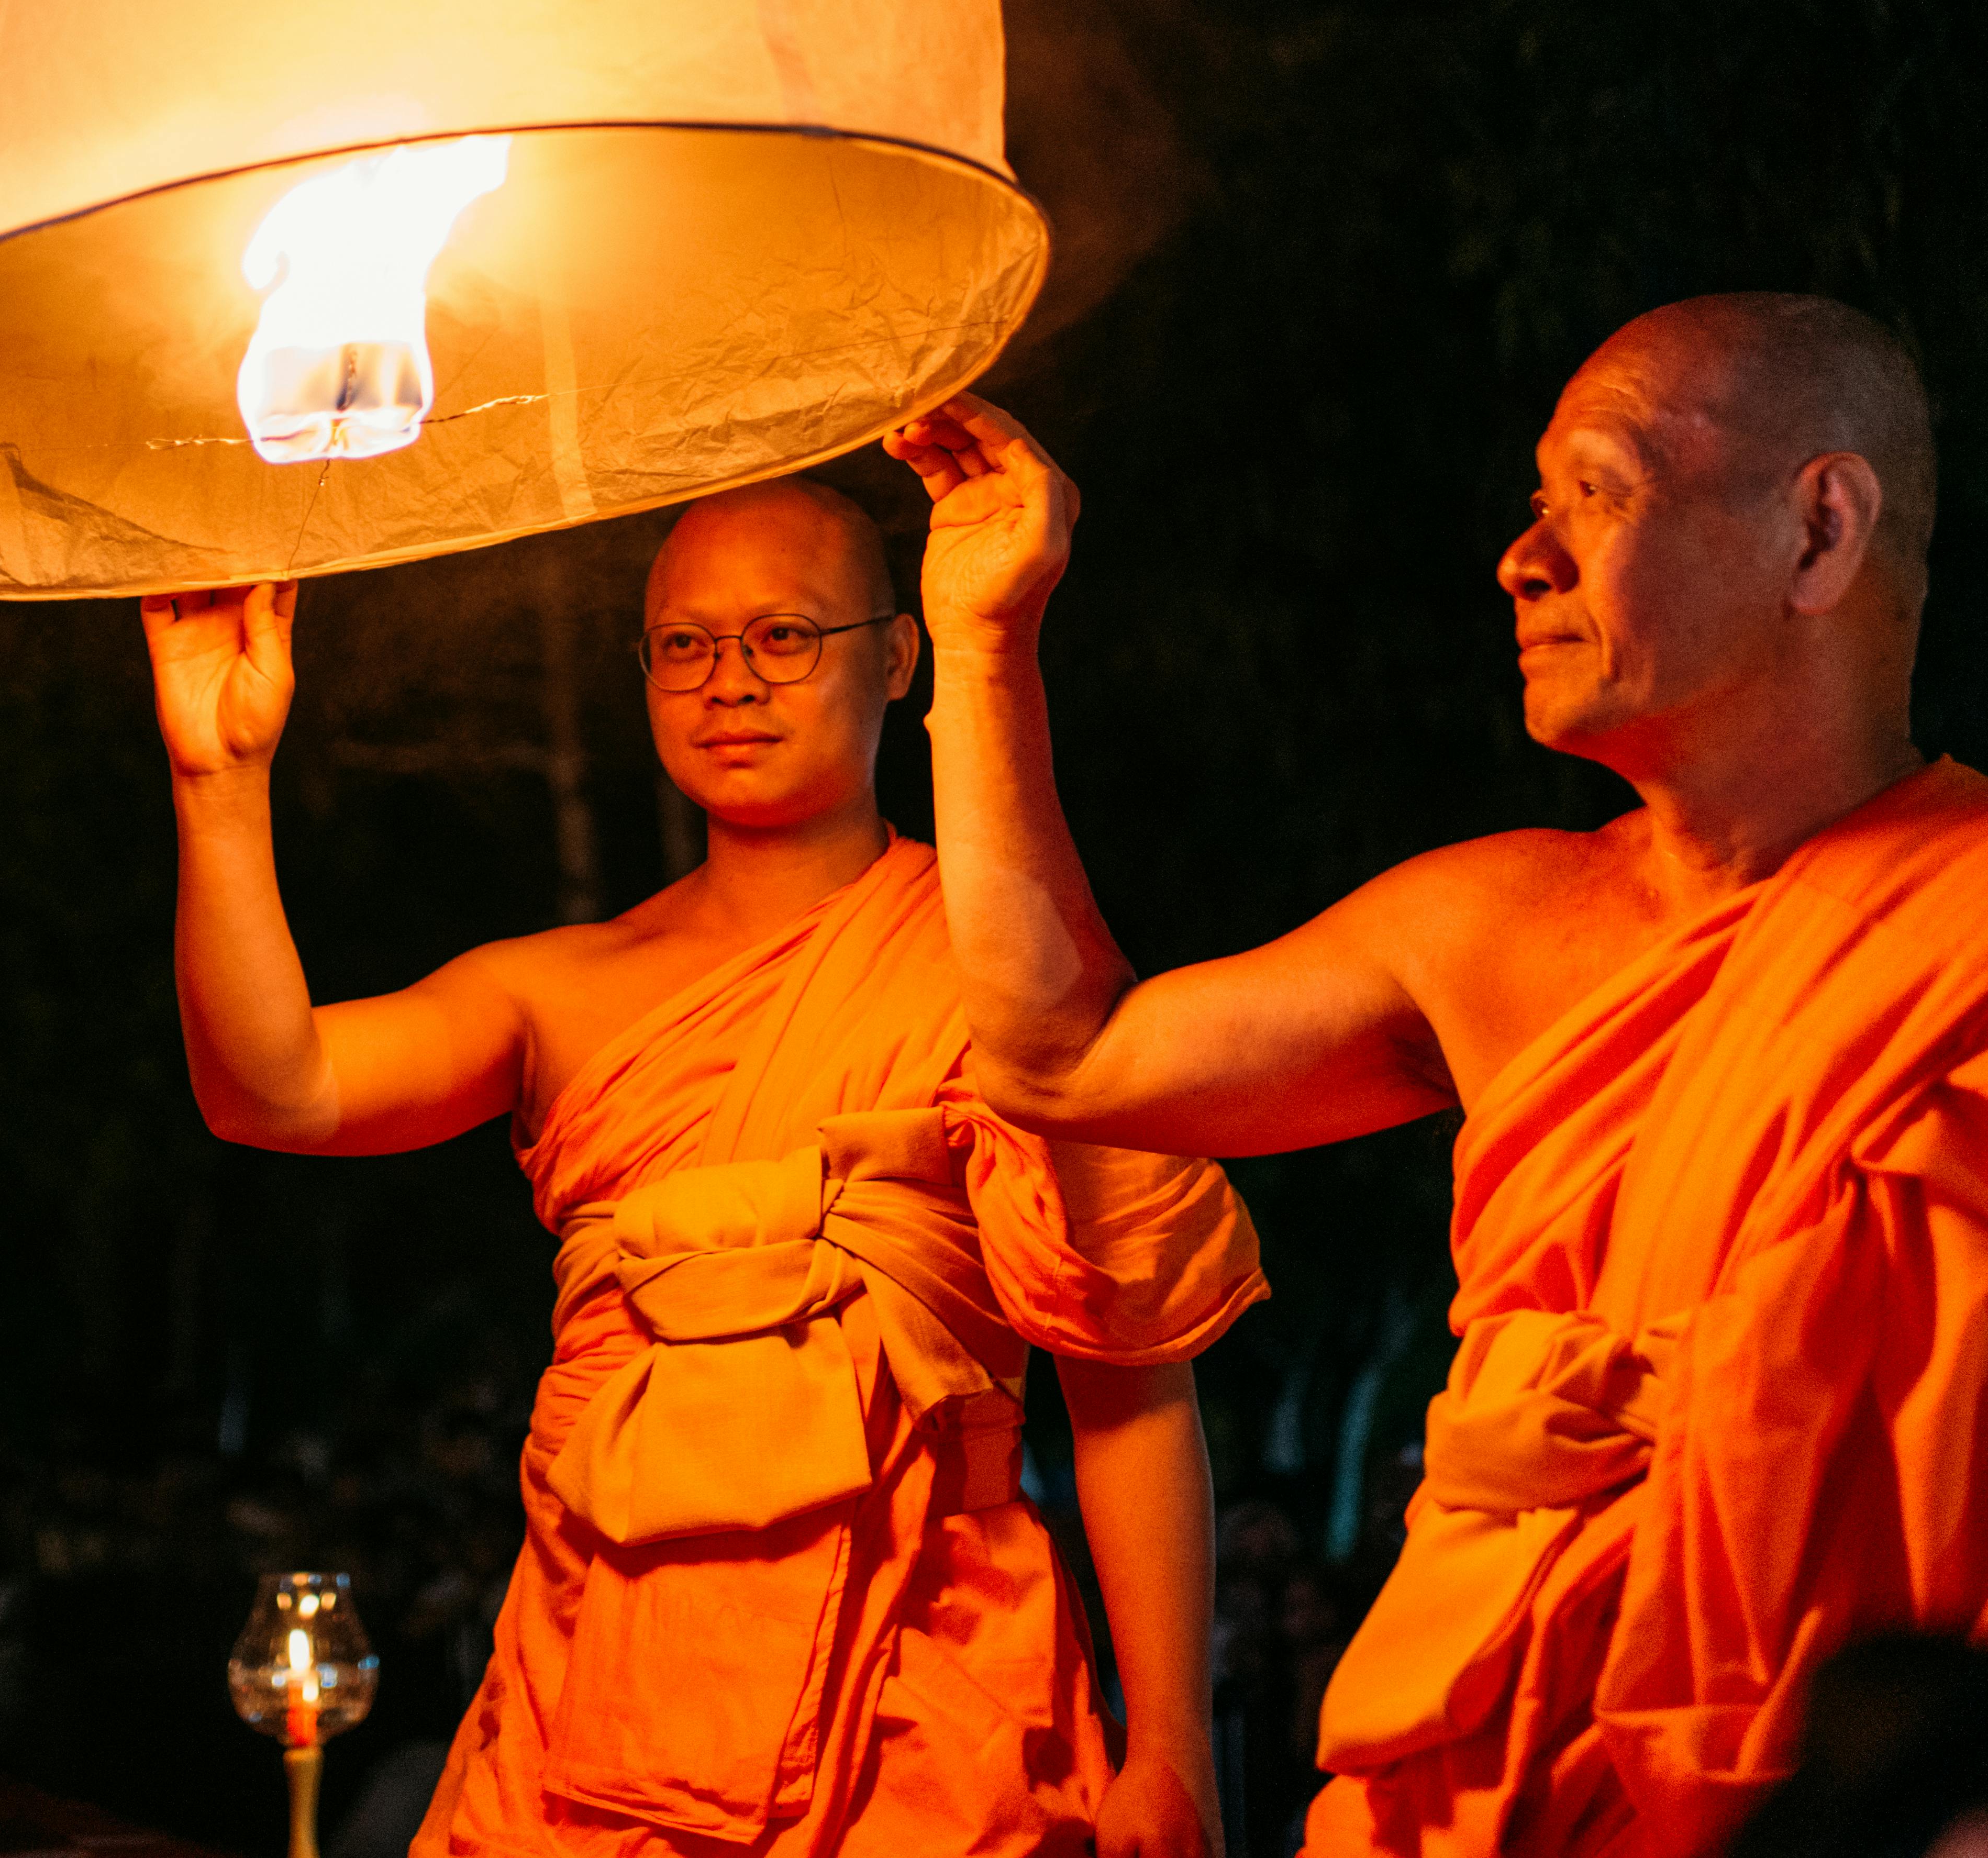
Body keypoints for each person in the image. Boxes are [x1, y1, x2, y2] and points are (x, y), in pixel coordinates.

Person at [900, 294, 1988, 1858]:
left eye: (1601, 491)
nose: (1525, 558)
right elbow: (1064, 1056)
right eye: (1534, 502)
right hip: (1498, 1765)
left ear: (1820, 532)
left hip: (1878, 1798)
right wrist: (985, 637)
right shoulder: (1489, 919)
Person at [147, 482, 1268, 1857]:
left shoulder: (1002, 982)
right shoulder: (559, 992)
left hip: (919, 1698)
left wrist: (1171, 1746)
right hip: (596, 1691)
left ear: (898, 656)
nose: (729, 683)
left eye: (784, 637)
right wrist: (218, 785)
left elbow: (1131, 1385)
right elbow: (273, 1088)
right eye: (686, 646)